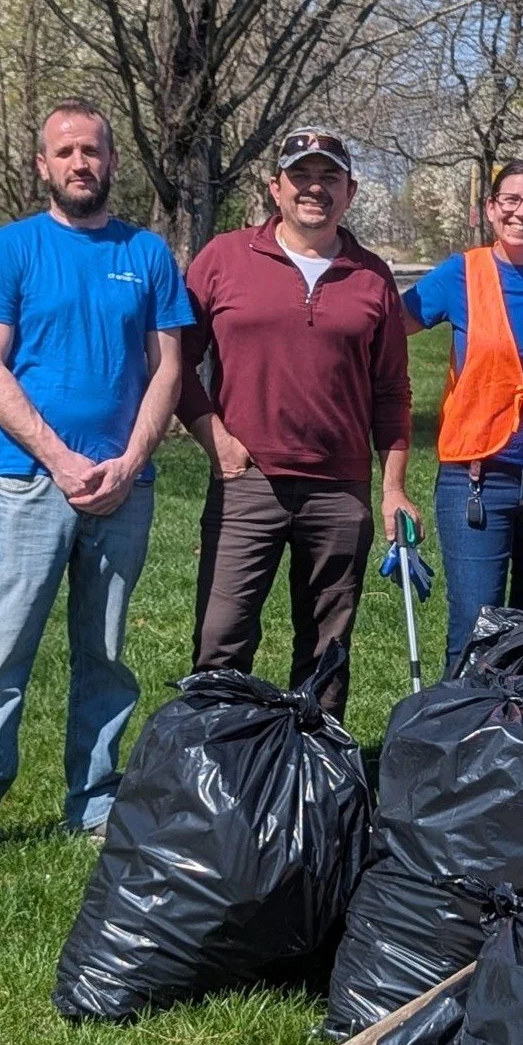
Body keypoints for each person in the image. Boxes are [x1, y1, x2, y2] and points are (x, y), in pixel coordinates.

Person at [0, 100, 191, 841]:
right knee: (1, 650)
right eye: (66, 151)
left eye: (94, 150)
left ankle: (95, 804)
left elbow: (166, 370)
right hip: (25, 482)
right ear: (43, 165)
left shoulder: (147, 255)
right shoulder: (9, 250)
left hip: (122, 490)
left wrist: (131, 461)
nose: (81, 163)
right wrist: (63, 458)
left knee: (104, 653)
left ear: (113, 161)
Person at [177, 127, 415, 719]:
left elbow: (392, 390)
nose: (315, 189)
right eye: (302, 176)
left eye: (330, 177)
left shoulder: (371, 275)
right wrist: (218, 441)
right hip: (246, 481)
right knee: (223, 637)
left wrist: (393, 489)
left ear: (350, 191)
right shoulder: (223, 259)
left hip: (339, 491)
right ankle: (219, 769)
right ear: (275, 187)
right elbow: (174, 364)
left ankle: (314, 776)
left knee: (326, 648)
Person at [403, 159, 523, 670]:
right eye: (510, 200)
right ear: (490, 209)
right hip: (478, 479)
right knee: (474, 628)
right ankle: (462, 741)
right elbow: (380, 330)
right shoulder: (460, 274)